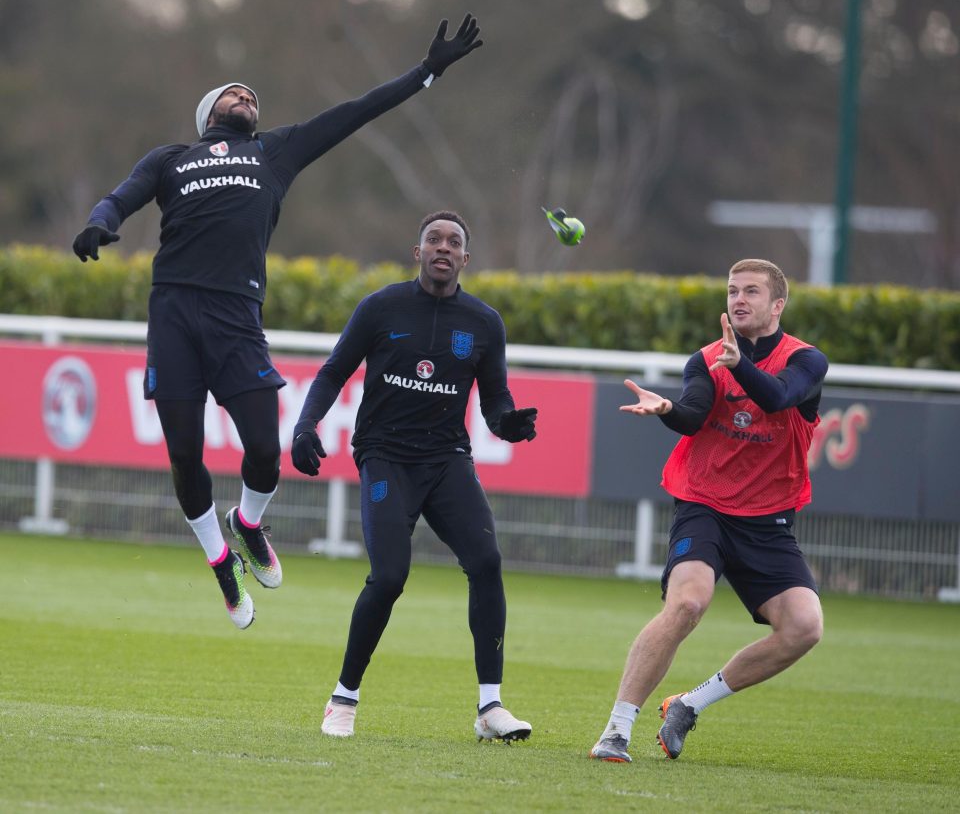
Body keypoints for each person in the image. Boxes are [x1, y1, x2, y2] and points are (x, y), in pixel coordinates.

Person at [70, 16, 484, 630]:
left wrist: (427, 72)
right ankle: (219, 562)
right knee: (185, 455)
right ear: (209, 114)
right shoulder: (172, 159)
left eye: (253, 98)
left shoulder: (275, 152)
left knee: (266, 450)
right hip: (176, 314)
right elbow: (122, 193)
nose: (247, 98)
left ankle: (248, 525)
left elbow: (356, 112)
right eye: (235, 94)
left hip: (237, 318)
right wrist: (102, 219)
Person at [291, 210, 538, 742]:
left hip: (447, 459)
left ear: (466, 259)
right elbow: (334, 370)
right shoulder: (381, 307)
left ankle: (491, 708)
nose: (443, 247)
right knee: (389, 576)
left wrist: (510, 425)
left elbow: (496, 403)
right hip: (384, 458)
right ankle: (343, 698)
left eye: (454, 242)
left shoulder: (484, 323)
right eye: (434, 240)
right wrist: (306, 425)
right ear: (417, 251)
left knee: (487, 560)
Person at [590, 259, 829, 763]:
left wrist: (738, 362)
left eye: (751, 292)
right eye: (732, 291)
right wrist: (667, 411)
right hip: (705, 505)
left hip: (769, 519)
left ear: (777, 305)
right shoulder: (706, 360)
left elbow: (778, 397)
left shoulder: (806, 361)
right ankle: (616, 730)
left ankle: (689, 704)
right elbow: (694, 415)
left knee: (805, 627)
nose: (738, 300)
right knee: (687, 604)